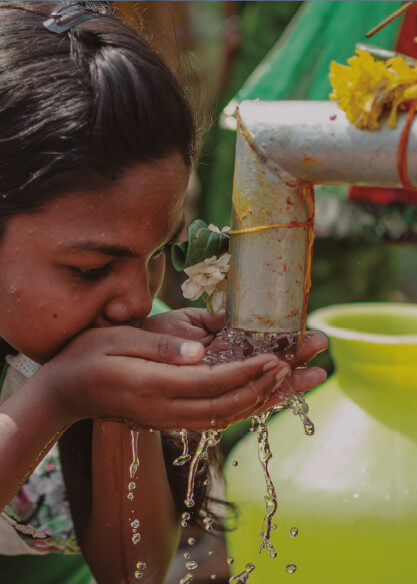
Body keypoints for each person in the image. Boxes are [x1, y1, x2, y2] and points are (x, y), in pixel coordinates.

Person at [0, 2, 328, 583]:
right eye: (91, 267)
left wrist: (121, 407)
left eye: (157, 257)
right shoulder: (60, 371)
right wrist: (56, 398)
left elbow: (134, 570)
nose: (135, 301)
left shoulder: (100, 327)